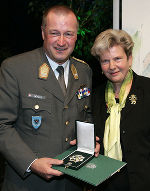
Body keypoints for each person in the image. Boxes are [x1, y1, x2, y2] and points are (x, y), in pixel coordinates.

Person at [0, 5, 100, 191]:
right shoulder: (16, 69)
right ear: (43, 33)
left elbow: (86, 116)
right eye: (55, 33)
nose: (61, 42)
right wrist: (32, 162)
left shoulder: (84, 71)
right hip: (28, 184)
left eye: (68, 34)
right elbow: (2, 125)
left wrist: (88, 143)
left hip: (72, 182)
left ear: (77, 35)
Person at [91, 29, 150, 191]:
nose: (112, 66)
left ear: (129, 59)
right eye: (105, 61)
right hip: (104, 185)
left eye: (117, 59)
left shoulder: (147, 90)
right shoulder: (94, 97)